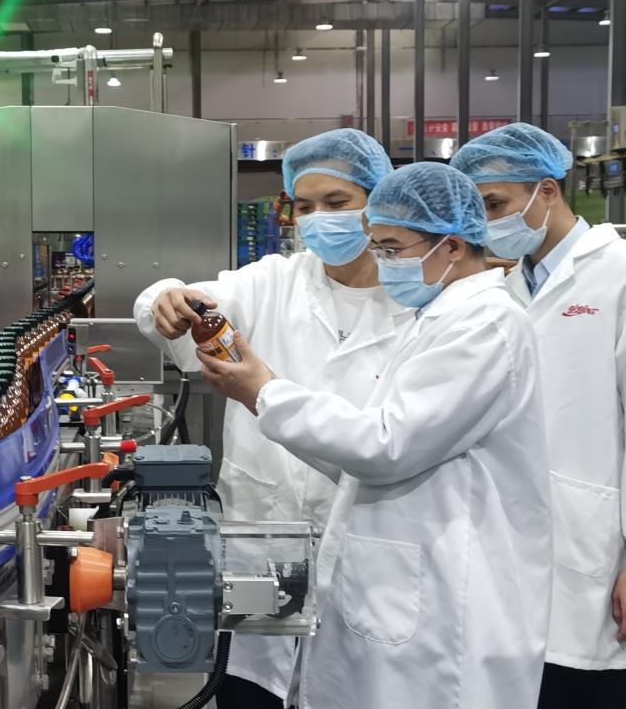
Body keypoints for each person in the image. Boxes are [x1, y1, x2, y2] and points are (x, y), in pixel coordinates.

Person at [196, 162, 552, 709]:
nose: (382, 263)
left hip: (442, 601)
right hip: (375, 577)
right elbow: (364, 453)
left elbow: (387, 445)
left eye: (392, 249)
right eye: (378, 248)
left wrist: (263, 391)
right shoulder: (433, 317)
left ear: (452, 246)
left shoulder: (486, 324)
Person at [134, 128, 414, 706]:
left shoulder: (414, 299)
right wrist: (165, 295)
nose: (319, 220)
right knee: (252, 691)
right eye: (305, 206)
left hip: (371, 553)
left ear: (377, 202)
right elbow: (189, 302)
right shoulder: (273, 281)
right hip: (262, 542)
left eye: (336, 202)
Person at [452, 123, 626, 708]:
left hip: (596, 547)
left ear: (547, 191)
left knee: (585, 687)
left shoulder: (618, 274)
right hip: (509, 549)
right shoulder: (502, 289)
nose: (486, 224)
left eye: (496, 205)